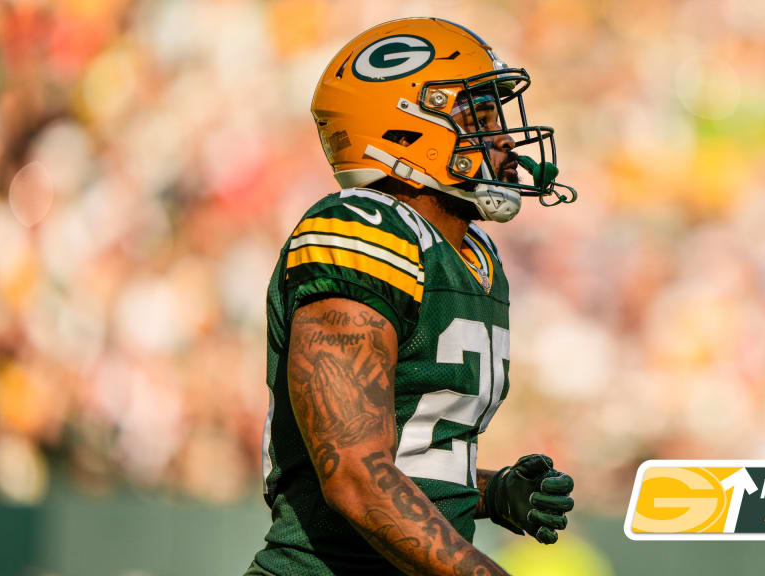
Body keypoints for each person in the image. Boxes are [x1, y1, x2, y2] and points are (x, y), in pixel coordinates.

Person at [246, 17, 577, 576]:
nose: (500, 138)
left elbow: (401, 455)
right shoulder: (361, 230)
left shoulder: (474, 255)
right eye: (481, 116)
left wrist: (485, 493)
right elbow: (352, 471)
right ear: (405, 131)